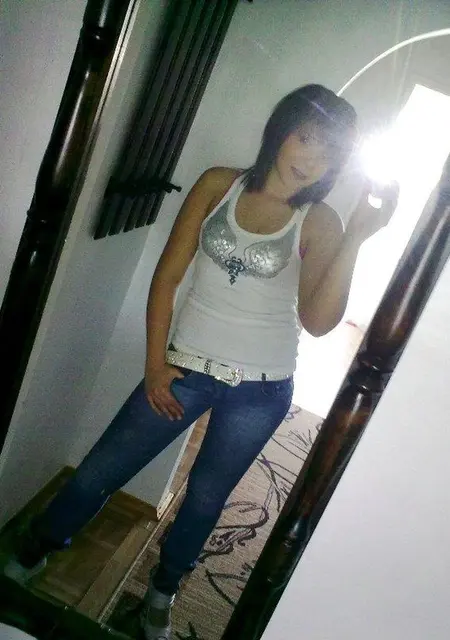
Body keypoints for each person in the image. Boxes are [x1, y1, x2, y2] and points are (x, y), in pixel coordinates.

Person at [3, 84, 397, 640]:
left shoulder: (320, 220)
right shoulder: (219, 184)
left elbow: (317, 321)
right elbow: (167, 278)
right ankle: (34, 550)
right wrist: (155, 364)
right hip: (183, 369)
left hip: (261, 389)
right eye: (307, 138)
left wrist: (356, 237)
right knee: (98, 472)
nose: (312, 159)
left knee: (206, 500)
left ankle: (159, 597)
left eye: (329, 152)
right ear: (282, 129)